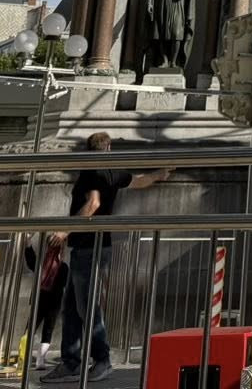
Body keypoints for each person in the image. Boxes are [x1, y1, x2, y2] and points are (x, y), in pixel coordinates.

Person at [46, 134, 169, 381]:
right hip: (95, 247)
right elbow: (139, 181)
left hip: (89, 247)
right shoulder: (112, 171)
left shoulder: (93, 170)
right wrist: (160, 174)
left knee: (87, 306)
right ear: (109, 147)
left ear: (88, 150)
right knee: (72, 307)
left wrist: (63, 230)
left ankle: (102, 359)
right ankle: (70, 361)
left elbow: (92, 204)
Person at [21, 237, 67, 370]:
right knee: (48, 330)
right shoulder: (63, 267)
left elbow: (31, 262)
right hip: (54, 302)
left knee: (30, 327)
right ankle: (40, 361)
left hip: (39, 299)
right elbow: (65, 284)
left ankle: (23, 358)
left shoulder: (42, 264)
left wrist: (28, 244)